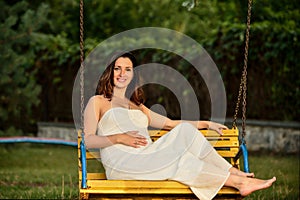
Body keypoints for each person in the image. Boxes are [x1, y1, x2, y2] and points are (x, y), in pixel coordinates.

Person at [83, 51, 276, 200]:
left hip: (149, 157)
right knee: (181, 161)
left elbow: (170, 124)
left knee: (184, 131)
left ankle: (234, 174)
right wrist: (119, 137)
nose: (122, 73)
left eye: (128, 69)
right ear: (110, 72)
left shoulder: (138, 106)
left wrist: (205, 123)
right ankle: (238, 181)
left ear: (133, 74)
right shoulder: (98, 102)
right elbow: (89, 140)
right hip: (123, 164)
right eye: (117, 68)